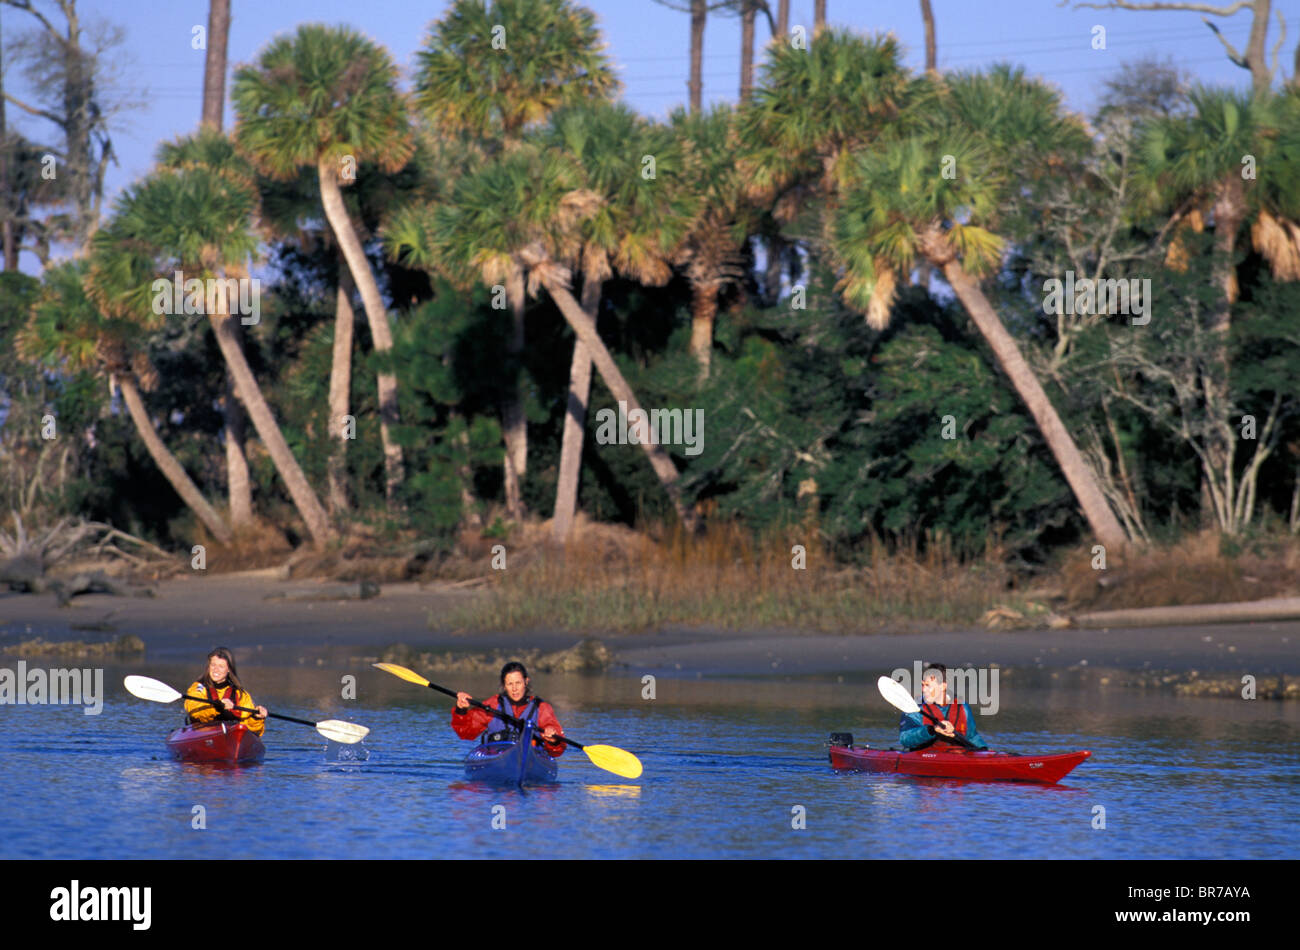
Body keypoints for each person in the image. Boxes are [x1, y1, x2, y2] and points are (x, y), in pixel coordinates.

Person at [452, 661, 564, 757]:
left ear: (526, 682)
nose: (515, 689)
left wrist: (553, 739)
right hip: (495, 758)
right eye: (510, 684)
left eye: (518, 683)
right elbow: (465, 732)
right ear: (504, 685)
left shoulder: (542, 708)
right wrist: (461, 710)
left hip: (530, 759)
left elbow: (558, 750)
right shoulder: (493, 704)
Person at [898, 663, 988, 751]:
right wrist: (932, 730)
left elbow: (972, 736)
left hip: (957, 757)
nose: (923, 689)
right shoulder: (915, 708)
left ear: (943, 686)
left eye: (928, 685)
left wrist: (984, 750)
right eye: (923, 684)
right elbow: (905, 739)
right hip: (927, 758)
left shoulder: (963, 707)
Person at [183, 646, 268, 736]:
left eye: (221, 666)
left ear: (228, 670)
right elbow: (194, 710)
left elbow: (253, 730)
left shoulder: (240, 694)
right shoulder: (199, 688)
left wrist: (256, 717)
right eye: (213, 665)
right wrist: (217, 706)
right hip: (203, 732)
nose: (216, 669)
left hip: (230, 736)